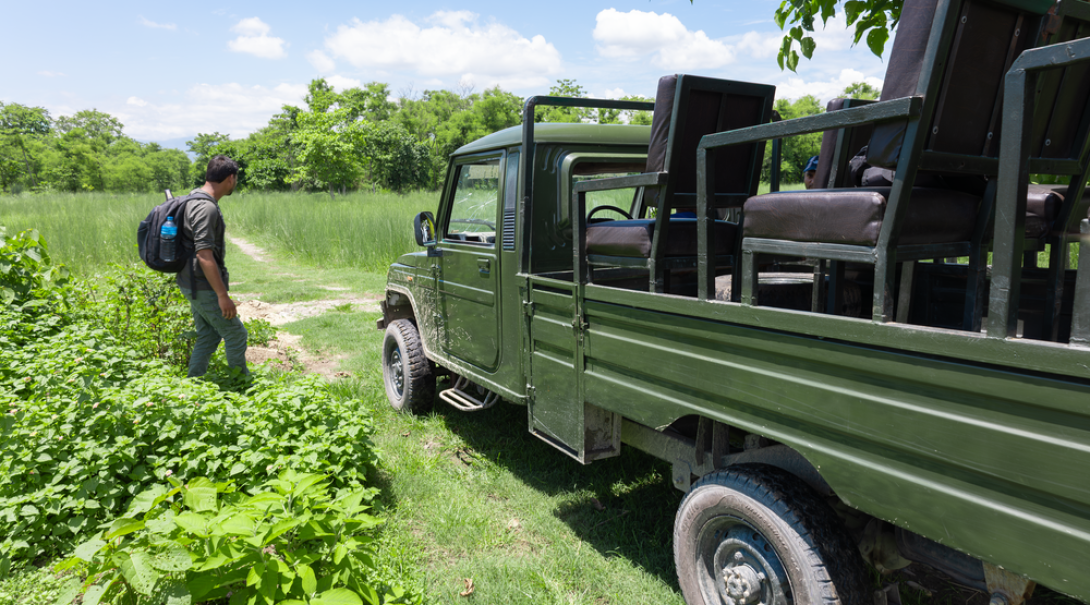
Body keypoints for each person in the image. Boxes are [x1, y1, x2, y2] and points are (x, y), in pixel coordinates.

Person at [178, 155, 248, 378]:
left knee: (208, 334)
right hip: (201, 285)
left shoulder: (192, 198)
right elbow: (204, 253)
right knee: (236, 334)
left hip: (191, 281)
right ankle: (241, 385)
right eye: (235, 179)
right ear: (230, 178)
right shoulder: (205, 207)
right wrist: (222, 294)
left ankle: (193, 383)